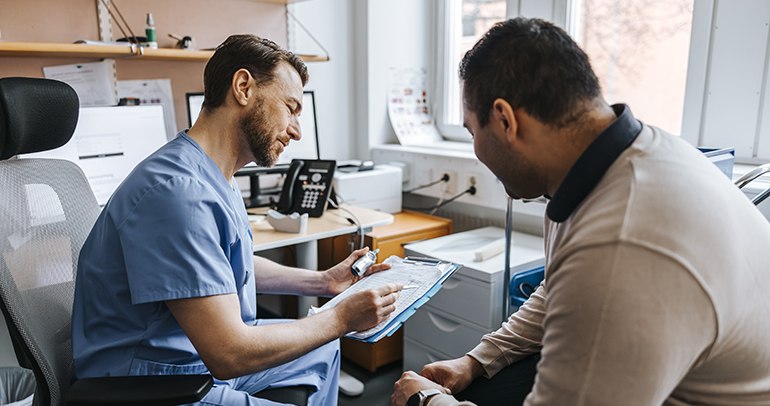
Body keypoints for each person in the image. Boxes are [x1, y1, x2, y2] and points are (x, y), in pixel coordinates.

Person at [392, 17, 770, 406]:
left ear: (505, 120)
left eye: (473, 131)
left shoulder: (622, 242)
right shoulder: (615, 161)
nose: (475, 148)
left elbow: (596, 282)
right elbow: (560, 288)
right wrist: (476, 360)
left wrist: (426, 402)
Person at [71, 34, 403, 406]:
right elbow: (229, 353)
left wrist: (323, 282)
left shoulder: (215, 174)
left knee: (322, 347)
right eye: (290, 108)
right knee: (327, 332)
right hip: (151, 380)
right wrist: (340, 319)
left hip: (194, 355)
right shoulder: (178, 193)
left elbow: (226, 267)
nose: (296, 130)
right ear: (243, 87)